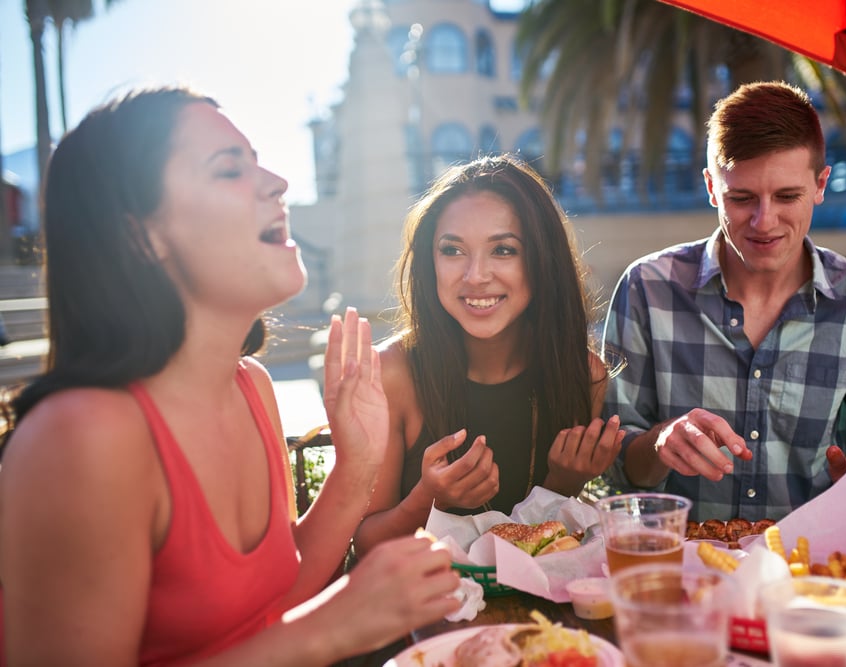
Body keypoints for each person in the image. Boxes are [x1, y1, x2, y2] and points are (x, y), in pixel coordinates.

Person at [0, 86, 460, 665]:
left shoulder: (251, 387)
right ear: (141, 235)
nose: (277, 183)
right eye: (229, 169)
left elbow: (270, 602)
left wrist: (358, 465)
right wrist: (333, 628)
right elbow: (296, 634)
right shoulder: (82, 438)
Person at [601, 81, 846, 522]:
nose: (765, 221)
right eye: (741, 198)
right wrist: (661, 443)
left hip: (814, 573)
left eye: (787, 196)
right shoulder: (646, 288)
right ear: (710, 187)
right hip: (684, 573)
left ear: (820, 184)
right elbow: (618, 466)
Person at [352, 155, 623, 555]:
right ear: (431, 261)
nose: (476, 275)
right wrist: (429, 499)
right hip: (423, 611)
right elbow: (363, 544)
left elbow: (541, 546)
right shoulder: (390, 372)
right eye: (453, 250)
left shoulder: (583, 375)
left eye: (503, 250)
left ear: (541, 260)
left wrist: (562, 486)